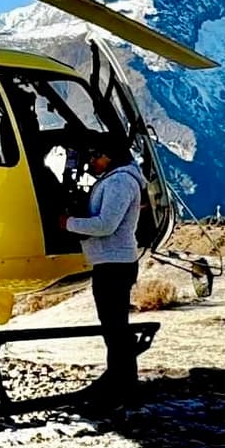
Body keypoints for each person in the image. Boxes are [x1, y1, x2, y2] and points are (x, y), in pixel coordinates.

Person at [58, 133, 144, 406]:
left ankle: (120, 381)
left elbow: (106, 225)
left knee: (115, 325)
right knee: (114, 324)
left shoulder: (119, 182)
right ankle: (121, 378)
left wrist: (68, 223)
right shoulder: (118, 179)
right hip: (112, 261)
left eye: (97, 155)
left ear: (111, 156)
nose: (93, 161)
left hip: (114, 263)